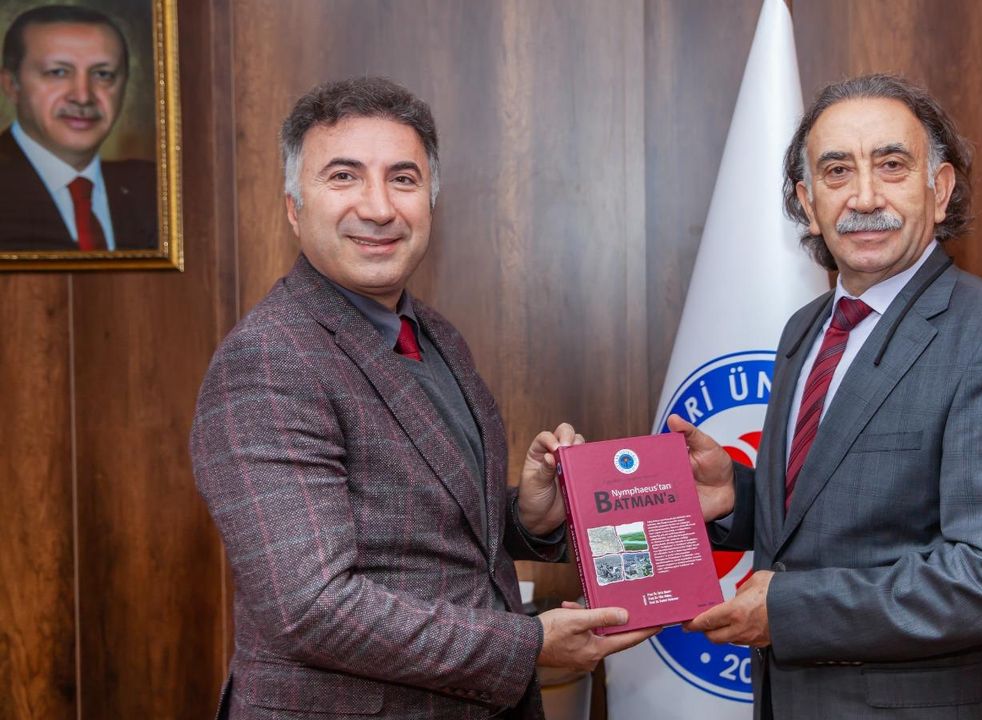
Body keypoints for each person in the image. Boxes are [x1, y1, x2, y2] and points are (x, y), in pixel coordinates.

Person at [190, 77, 653, 720]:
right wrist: (528, 644)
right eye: (344, 177)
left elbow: (422, 531)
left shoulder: (432, 333)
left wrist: (529, 517)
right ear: (294, 208)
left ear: (430, 202)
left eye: (403, 179)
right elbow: (311, 608)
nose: (379, 207)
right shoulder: (270, 358)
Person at [671, 74, 982, 719]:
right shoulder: (806, 330)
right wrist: (736, 499)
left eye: (891, 165)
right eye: (837, 172)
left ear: (939, 190)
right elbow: (841, 511)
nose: (863, 197)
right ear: (808, 202)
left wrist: (791, 610)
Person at [0, 4, 154, 252]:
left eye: (103, 74)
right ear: (11, 85)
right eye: (58, 72)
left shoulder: (156, 189)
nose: (83, 97)